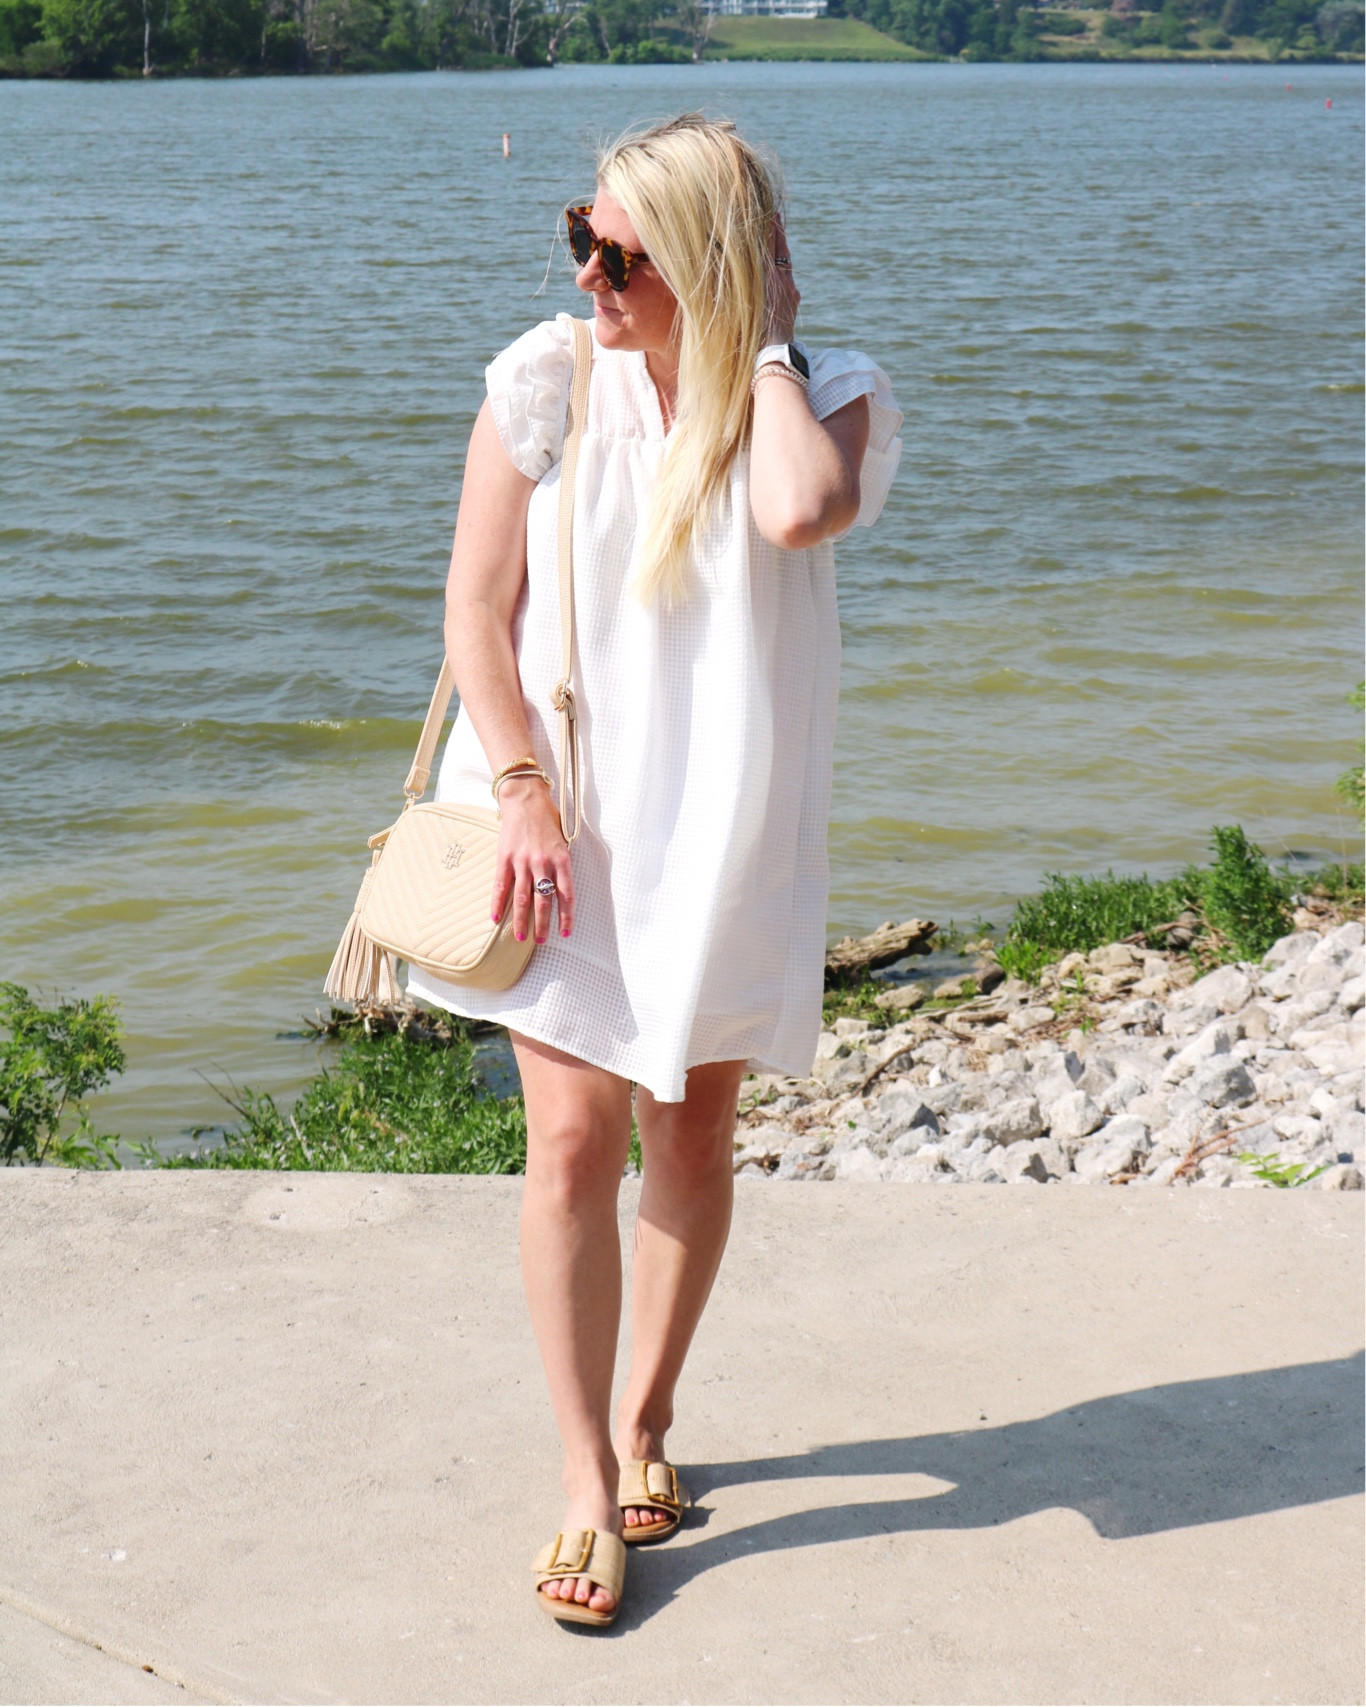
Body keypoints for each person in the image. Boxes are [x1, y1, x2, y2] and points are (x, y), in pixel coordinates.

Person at [407, 113, 902, 1627]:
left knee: (688, 1141)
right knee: (566, 1147)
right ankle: (579, 1479)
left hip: (719, 831)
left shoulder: (825, 401)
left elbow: (794, 511)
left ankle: (646, 1427)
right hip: (551, 817)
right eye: (580, 234)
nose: (589, 270)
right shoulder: (542, 379)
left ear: (703, 258)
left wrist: (756, 338)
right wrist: (520, 793)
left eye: (624, 251)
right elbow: (472, 616)